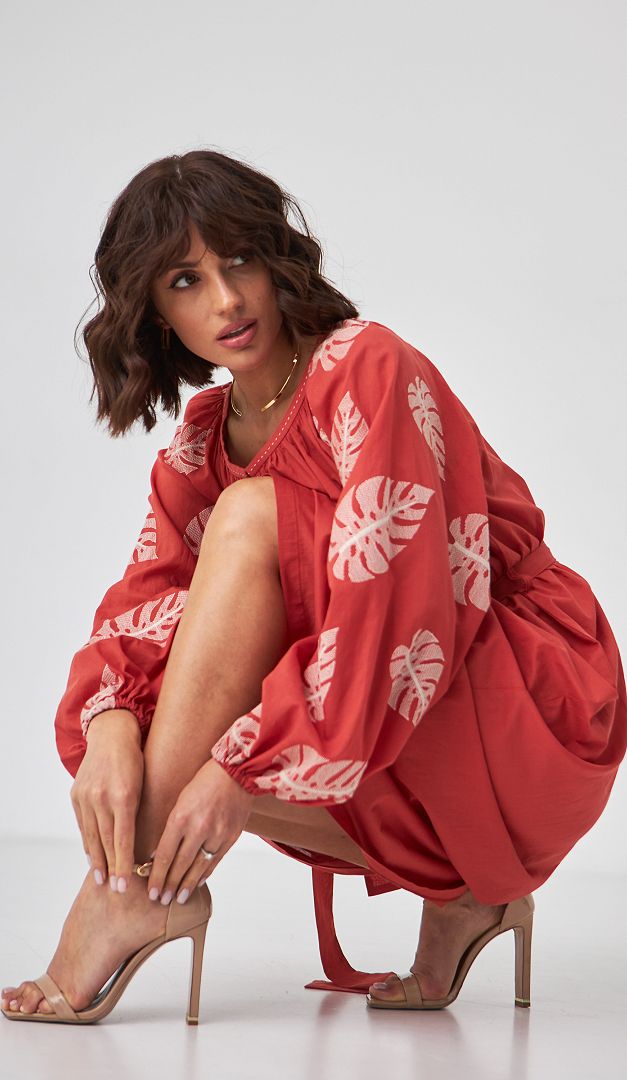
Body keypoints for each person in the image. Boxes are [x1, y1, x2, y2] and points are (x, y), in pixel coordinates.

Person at [2, 149, 626, 1022]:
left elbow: (402, 614)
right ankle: (462, 893)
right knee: (167, 696)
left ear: (277, 259)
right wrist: (108, 723)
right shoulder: (202, 441)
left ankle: (126, 895)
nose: (227, 300)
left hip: (522, 695)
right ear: (153, 311)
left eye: (240, 260)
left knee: (252, 518)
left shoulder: (366, 366)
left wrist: (235, 764)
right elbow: (145, 608)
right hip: (398, 732)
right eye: (185, 280)